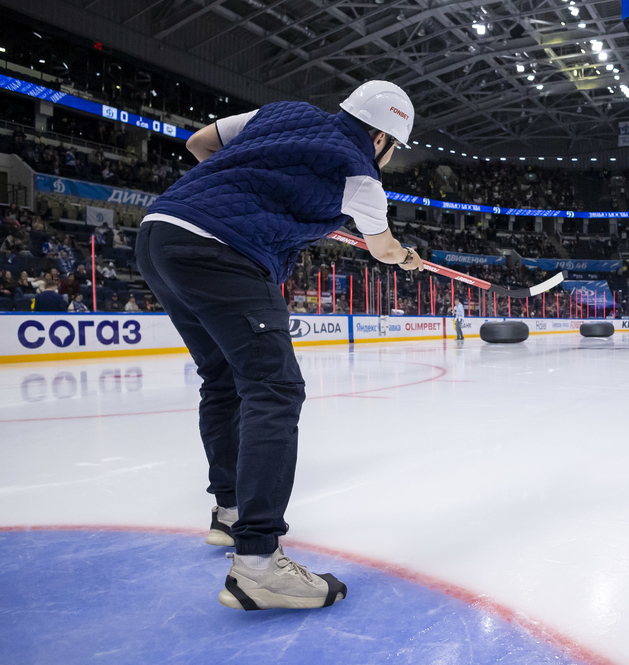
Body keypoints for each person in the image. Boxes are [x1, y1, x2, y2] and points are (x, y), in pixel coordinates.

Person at [136, 80, 421, 612]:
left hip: (159, 233)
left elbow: (200, 143)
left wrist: (260, 195)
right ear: (383, 136)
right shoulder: (362, 177)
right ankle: (259, 566)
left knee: (222, 379)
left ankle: (229, 514)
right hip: (223, 250)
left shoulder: (283, 109)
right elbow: (381, 249)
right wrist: (404, 255)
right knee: (275, 390)